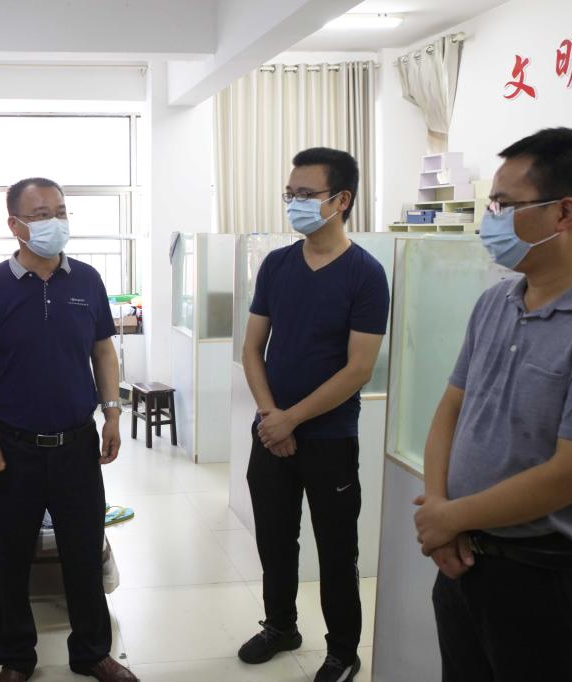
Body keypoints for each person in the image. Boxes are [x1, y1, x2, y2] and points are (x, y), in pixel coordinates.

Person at [414, 127, 572, 682]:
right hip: (466, 558)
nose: (491, 219)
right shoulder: (495, 301)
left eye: (504, 205)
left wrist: (449, 517)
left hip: (552, 575)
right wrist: (441, 510)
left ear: (564, 213)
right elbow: (450, 410)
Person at [0, 177, 136, 682]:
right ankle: (16, 658)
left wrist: (112, 413)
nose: (54, 222)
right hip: (12, 447)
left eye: (60, 211)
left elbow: (103, 350)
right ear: (14, 225)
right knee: (10, 558)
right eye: (40, 214)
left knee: (84, 551)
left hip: (77, 443)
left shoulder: (87, 281)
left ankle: (92, 652)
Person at [238, 148, 389, 682]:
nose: (294, 203)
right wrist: (270, 416)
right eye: (290, 193)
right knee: (274, 540)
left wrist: (291, 419)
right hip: (270, 431)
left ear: (341, 200)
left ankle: (343, 651)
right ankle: (281, 626)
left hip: (329, 438)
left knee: (336, 550)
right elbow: (251, 348)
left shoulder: (366, 274)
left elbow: (358, 369)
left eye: (306, 194)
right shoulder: (277, 265)